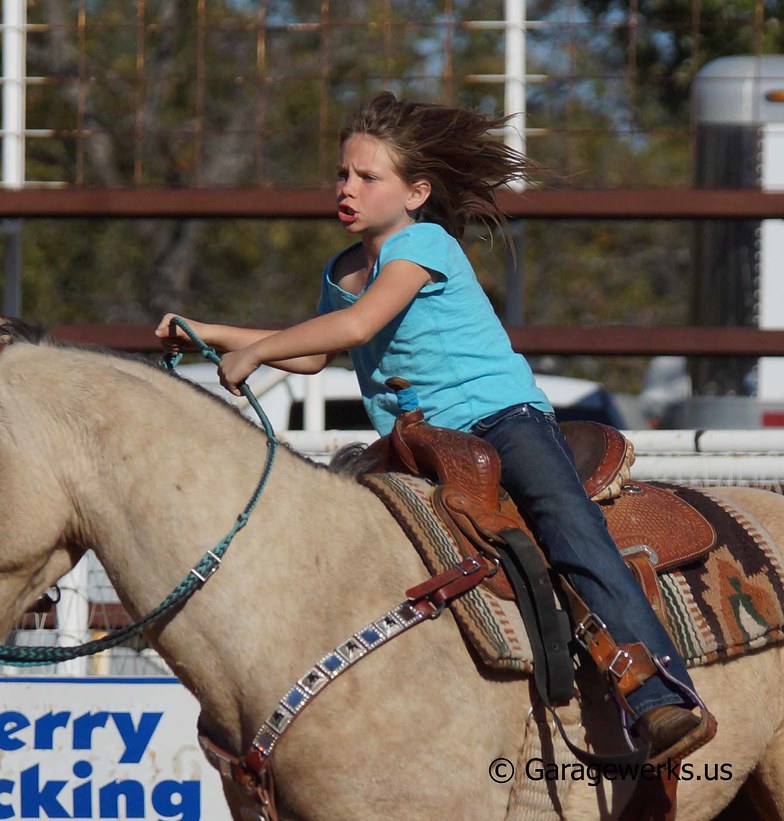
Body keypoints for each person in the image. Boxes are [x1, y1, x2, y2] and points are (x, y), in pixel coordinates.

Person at [155, 91, 714, 761]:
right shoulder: (341, 270)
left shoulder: (423, 244)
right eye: (343, 174)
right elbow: (311, 352)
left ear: (416, 192)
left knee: (567, 521)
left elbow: (359, 326)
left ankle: (657, 693)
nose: (348, 188)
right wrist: (209, 333)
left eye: (368, 177)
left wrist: (252, 351)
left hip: (500, 422)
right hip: (414, 441)